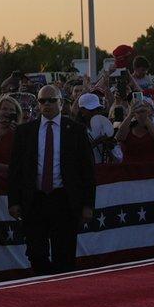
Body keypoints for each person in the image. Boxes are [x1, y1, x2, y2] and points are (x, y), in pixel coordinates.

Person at [6, 84, 97, 274]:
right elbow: (16, 170)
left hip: (64, 199)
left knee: (64, 256)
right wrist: (13, 201)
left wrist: (88, 205)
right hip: (34, 200)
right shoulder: (25, 132)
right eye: (42, 101)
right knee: (36, 254)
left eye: (52, 100)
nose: (47, 104)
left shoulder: (75, 130)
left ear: (61, 103)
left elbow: (87, 170)